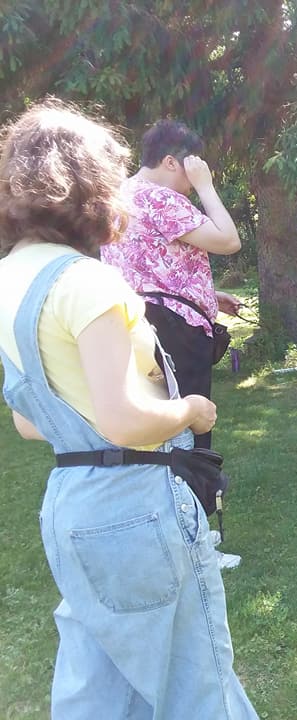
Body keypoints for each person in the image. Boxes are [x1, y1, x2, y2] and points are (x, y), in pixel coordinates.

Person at [0, 100, 258, 718]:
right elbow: (124, 419)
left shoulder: (11, 280)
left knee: (98, 686)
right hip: (136, 504)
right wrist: (192, 410)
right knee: (200, 686)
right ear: (91, 185)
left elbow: (28, 421)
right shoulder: (87, 283)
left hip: (69, 504)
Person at [100, 119, 242, 450]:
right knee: (189, 430)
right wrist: (207, 187)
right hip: (175, 332)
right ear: (170, 161)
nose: (191, 182)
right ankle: (194, 497)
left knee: (154, 426)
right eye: (190, 168)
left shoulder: (119, 196)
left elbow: (146, 268)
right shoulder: (160, 198)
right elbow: (228, 240)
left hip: (133, 326)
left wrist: (207, 296)